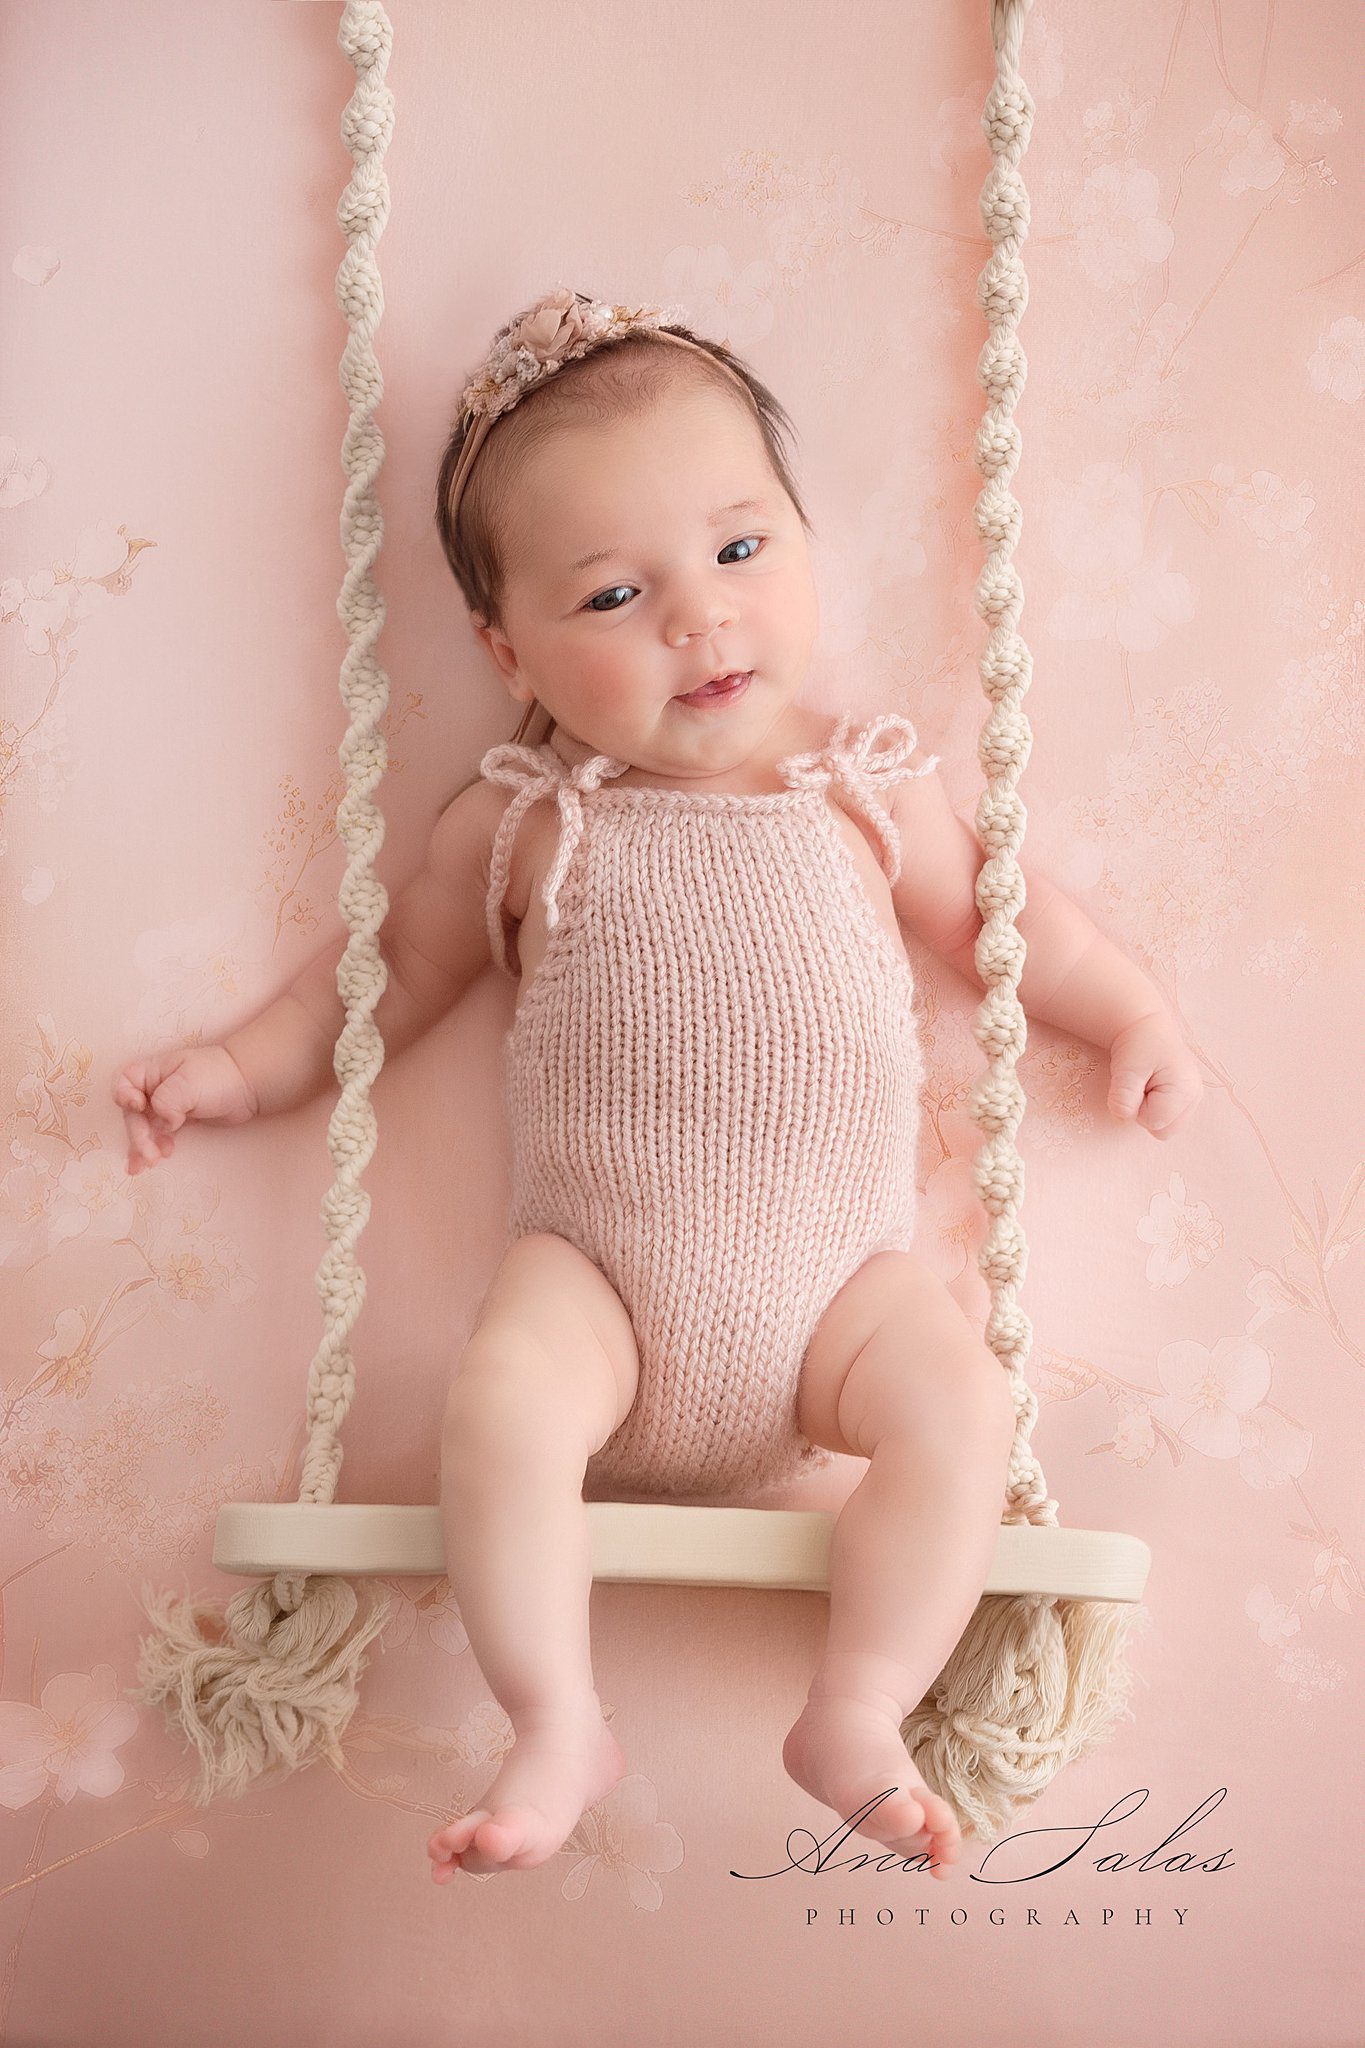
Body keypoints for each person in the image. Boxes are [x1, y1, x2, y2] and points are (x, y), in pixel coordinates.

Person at [112, 287, 1203, 1884]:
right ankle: (555, 1717)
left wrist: (1129, 1016)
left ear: (807, 546)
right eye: (616, 593)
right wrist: (230, 1068)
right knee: (499, 1401)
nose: (698, 620)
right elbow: (386, 983)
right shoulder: (521, 820)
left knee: (959, 1401)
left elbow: (1001, 925)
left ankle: (860, 1702)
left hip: (836, 1301)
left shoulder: (868, 788)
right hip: (602, 1293)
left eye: (742, 553)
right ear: (507, 649)